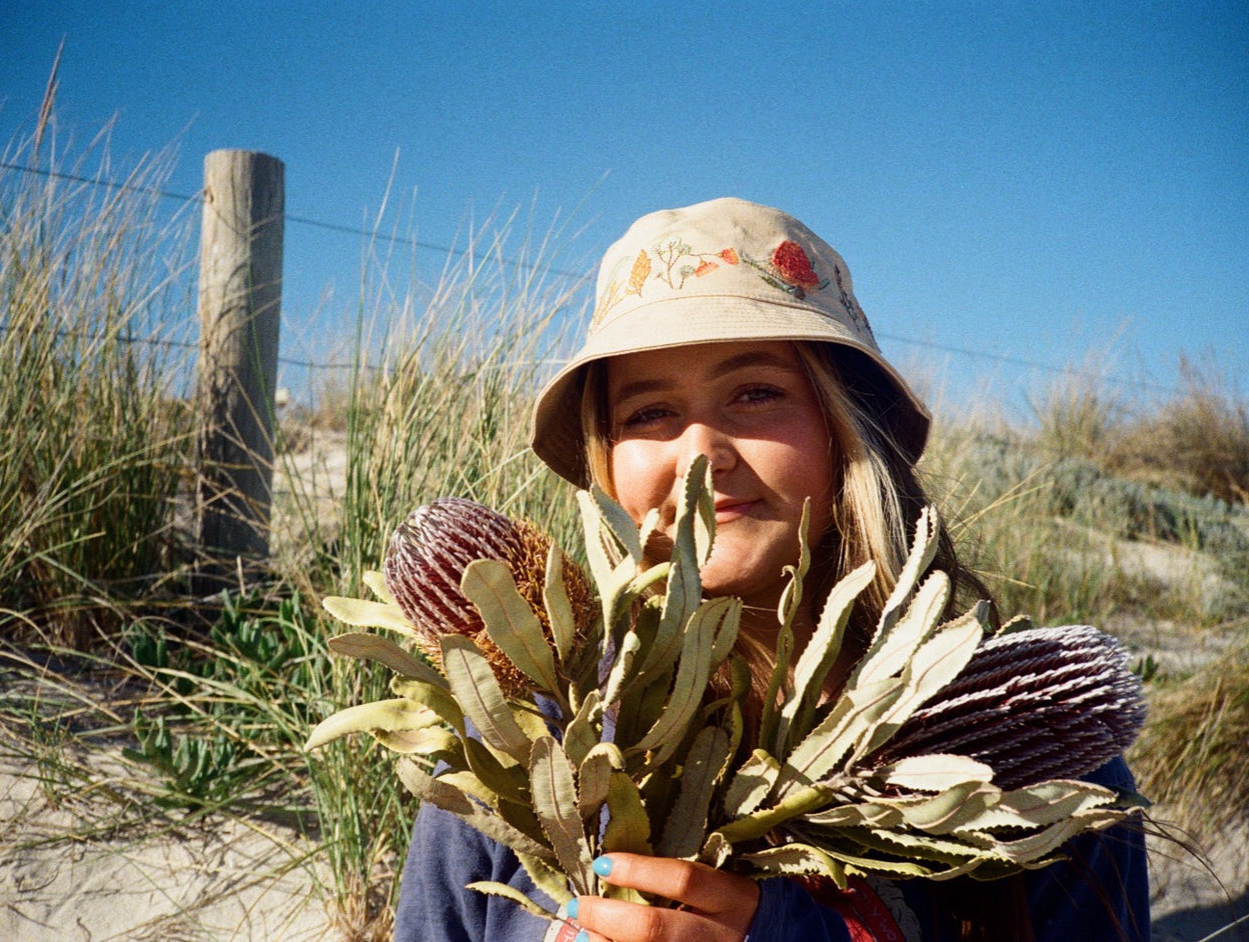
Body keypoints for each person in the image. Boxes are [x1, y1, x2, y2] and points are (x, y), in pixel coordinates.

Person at [393, 197, 1149, 942]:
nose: (701, 453)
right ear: (605, 462)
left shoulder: (1030, 738)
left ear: (848, 429)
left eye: (756, 393)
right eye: (648, 412)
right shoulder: (516, 747)